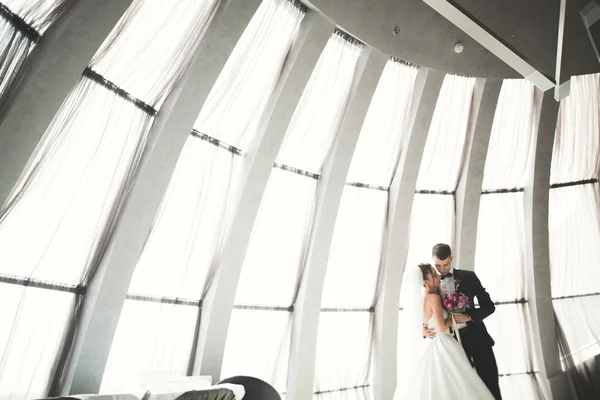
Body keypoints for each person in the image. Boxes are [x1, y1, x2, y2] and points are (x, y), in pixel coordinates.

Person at [394, 263, 495, 400]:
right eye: (434, 275)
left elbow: (425, 324)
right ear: (426, 282)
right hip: (445, 342)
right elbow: (441, 327)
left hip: (436, 344)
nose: (438, 277)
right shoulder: (434, 298)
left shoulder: (422, 299)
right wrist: (455, 313)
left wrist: (425, 330)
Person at [424, 243, 502, 400]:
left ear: (452, 259)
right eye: (438, 265)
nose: (442, 269)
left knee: (490, 383)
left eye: (445, 264)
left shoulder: (469, 277)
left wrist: (470, 317)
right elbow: (427, 314)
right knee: (464, 391)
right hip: (452, 344)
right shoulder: (432, 286)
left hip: (478, 338)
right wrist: (424, 329)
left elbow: (489, 307)